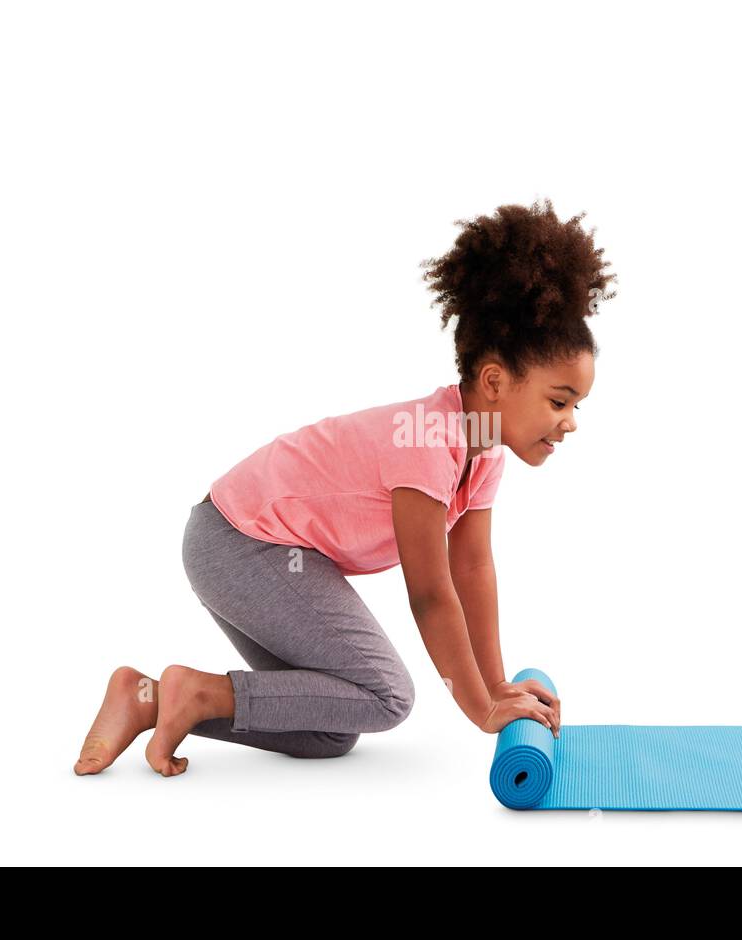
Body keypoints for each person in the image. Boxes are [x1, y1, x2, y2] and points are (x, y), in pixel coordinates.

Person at [75, 197, 616, 776]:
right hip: (240, 542)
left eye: (577, 405)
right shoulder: (427, 442)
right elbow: (432, 592)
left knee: (326, 731)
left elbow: (473, 571)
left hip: (261, 549)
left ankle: (150, 698)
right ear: (494, 381)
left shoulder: (481, 451)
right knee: (388, 695)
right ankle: (197, 691)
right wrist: (479, 706)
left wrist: (498, 684)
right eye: (558, 401)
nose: (571, 421)